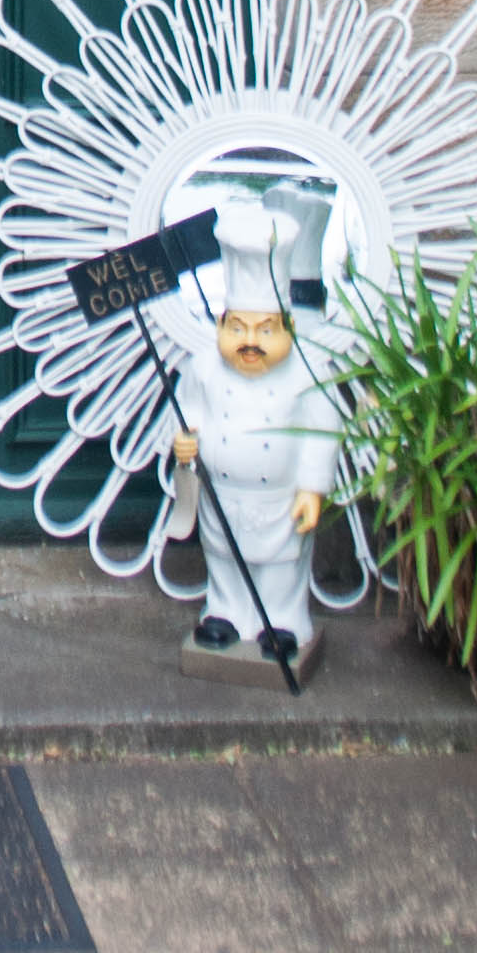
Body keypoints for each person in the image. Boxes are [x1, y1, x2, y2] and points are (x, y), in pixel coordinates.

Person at [166, 192, 341, 680]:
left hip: (279, 497)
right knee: (224, 553)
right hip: (222, 493)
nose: (249, 342)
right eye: (239, 327)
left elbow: (322, 430)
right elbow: (185, 411)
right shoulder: (204, 367)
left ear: (288, 326)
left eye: (265, 330)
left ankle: (282, 621)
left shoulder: (307, 372)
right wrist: (182, 441)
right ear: (222, 323)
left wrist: (312, 488)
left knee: (281, 562)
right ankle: (224, 613)